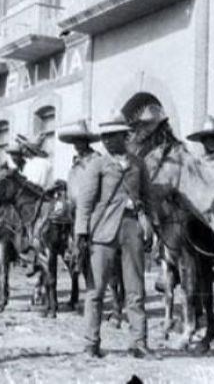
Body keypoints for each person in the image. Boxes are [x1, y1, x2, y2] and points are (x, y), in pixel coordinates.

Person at [76, 113, 160, 359]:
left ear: (125, 136)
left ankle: (139, 342)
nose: (107, 141)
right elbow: (85, 202)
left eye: (113, 136)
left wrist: (150, 223)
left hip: (131, 228)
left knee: (136, 289)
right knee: (96, 290)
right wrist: (81, 232)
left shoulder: (138, 164)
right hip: (101, 232)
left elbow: (148, 196)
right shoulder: (98, 165)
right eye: (104, 136)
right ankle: (91, 343)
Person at [58, 119, 102, 290]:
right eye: (75, 142)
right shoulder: (75, 161)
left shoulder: (95, 159)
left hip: (92, 207)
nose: (77, 145)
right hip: (74, 209)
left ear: (87, 141)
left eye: (80, 141)